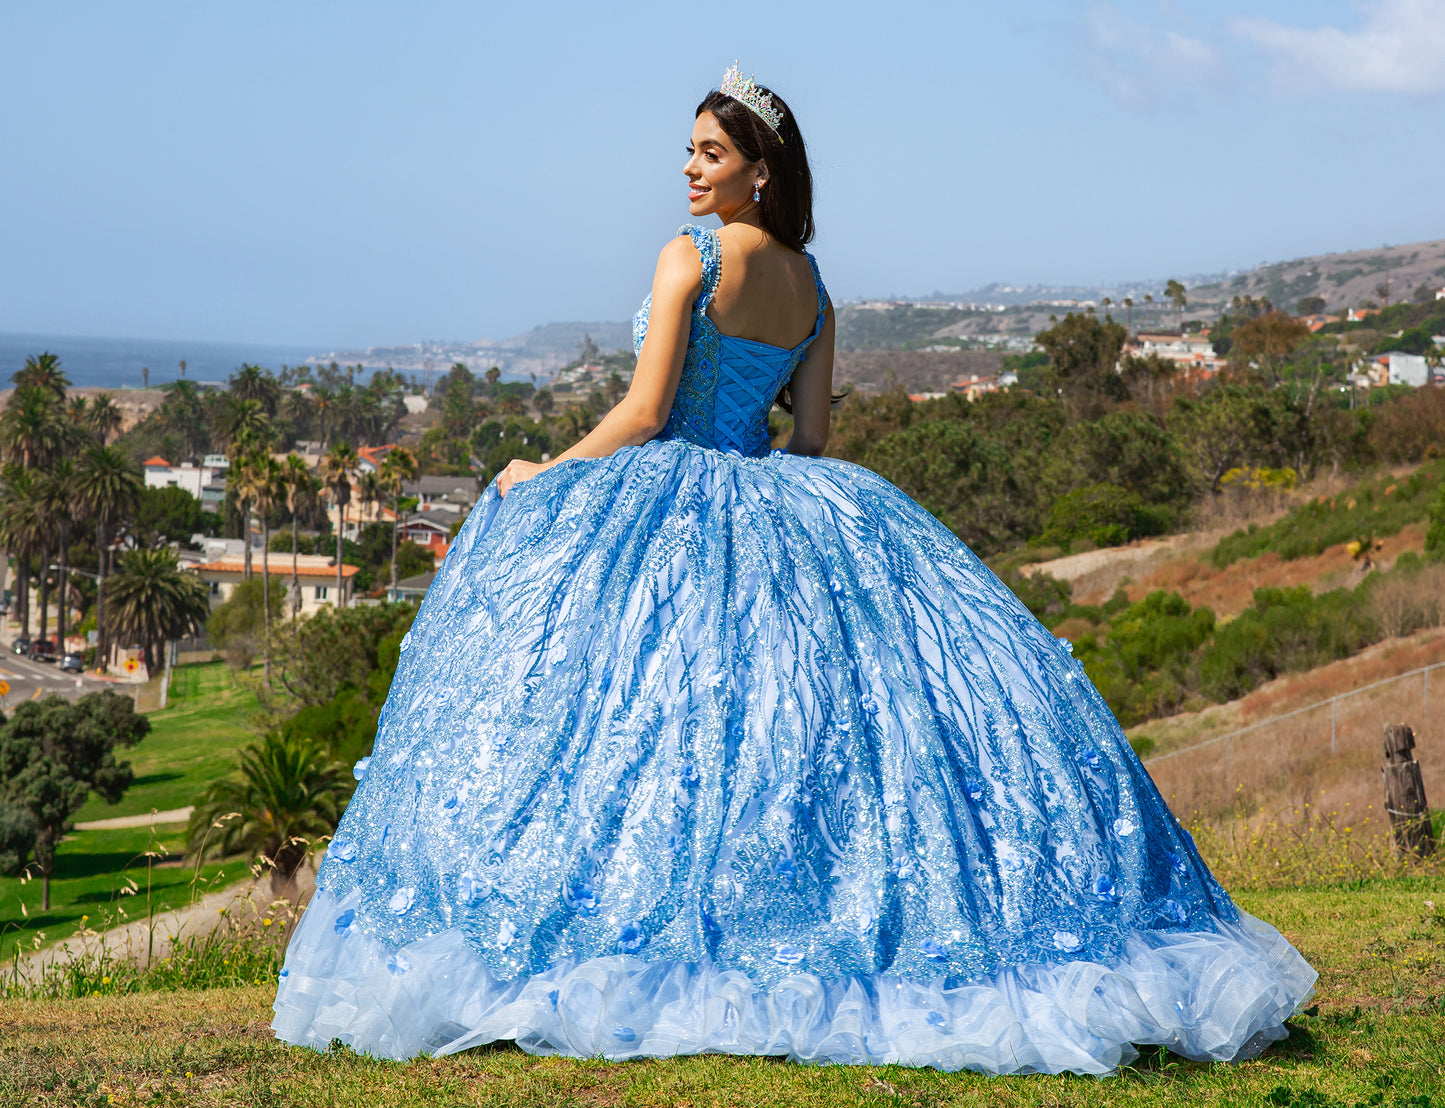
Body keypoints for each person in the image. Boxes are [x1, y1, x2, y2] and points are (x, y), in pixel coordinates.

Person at [272, 64, 1315, 1075]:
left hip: (667, 489)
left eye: (710, 152)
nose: (688, 168)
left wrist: (540, 470)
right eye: (687, 150)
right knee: (792, 719)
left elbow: (642, 413)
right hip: (776, 492)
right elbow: (811, 437)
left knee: (640, 726)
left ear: (757, 169)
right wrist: (752, 467)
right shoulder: (812, 284)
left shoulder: (689, 255)